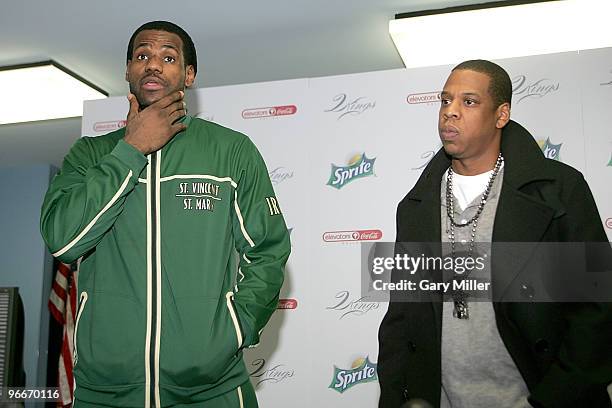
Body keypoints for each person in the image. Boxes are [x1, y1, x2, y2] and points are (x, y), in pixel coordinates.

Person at [40, 21, 290, 407]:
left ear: (188, 74)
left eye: (168, 57)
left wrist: (234, 330)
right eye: (142, 56)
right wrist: (131, 149)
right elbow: (64, 240)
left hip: (212, 391)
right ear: (127, 71)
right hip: (104, 393)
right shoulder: (89, 154)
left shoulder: (231, 151)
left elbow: (269, 250)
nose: (153, 65)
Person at [377, 60, 612, 408]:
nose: (450, 112)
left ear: (501, 115)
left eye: (468, 102)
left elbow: (598, 309)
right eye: (445, 101)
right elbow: (401, 319)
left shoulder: (559, 190)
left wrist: (556, 399)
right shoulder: (414, 206)